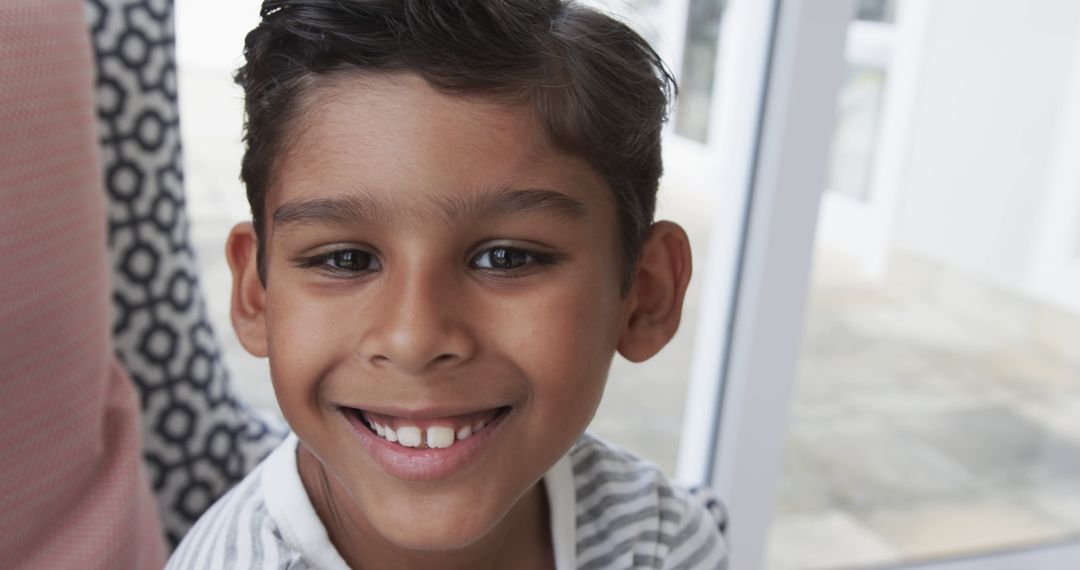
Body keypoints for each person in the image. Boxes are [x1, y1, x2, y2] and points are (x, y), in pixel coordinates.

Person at [168, 1, 727, 568]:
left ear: (646, 294)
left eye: (505, 259)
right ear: (257, 296)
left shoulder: (659, 540)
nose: (414, 338)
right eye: (345, 259)